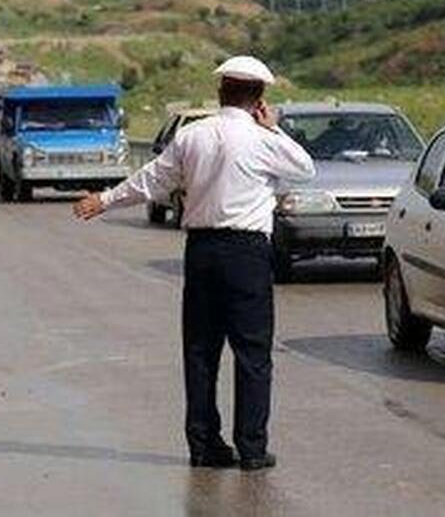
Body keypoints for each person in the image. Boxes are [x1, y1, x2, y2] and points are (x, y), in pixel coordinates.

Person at [72, 56, 315, 472]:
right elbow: (306, 169)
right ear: (259, 99)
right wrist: (272, 126)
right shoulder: (264, 139)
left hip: (202, 251)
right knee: (252, 353)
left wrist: (105, 200)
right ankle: (252, 449)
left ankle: (204, 446)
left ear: (221, 92)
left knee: (201, 351)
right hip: (247, 254)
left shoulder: (192, 136)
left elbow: (152, 179)